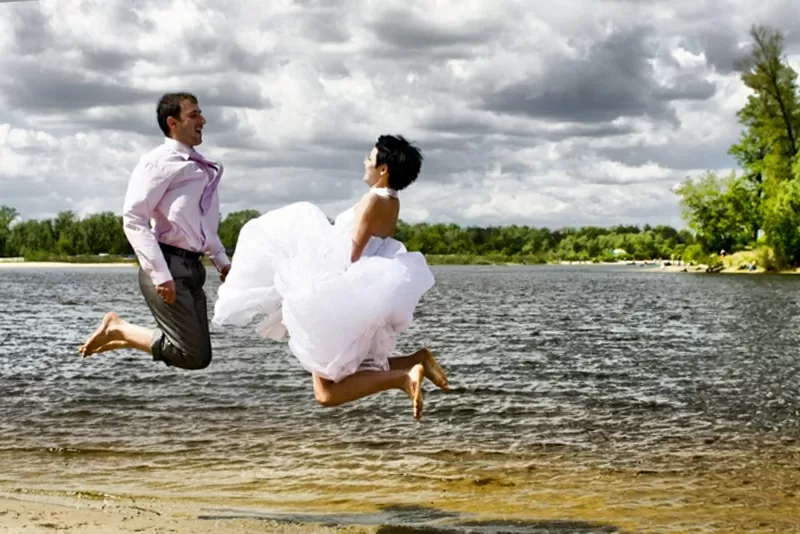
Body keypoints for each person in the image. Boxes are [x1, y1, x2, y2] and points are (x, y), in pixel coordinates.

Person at [212, 135, 448, 419]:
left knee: (326, 393)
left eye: (370, 158)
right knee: (356, 367)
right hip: (368, 290)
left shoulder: (372, 200)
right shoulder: (393, 202)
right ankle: (415, 360)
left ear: (383, 169)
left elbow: (352, 253)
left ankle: (404, 377)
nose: (365, 162)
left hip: (343, 289)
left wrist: (323, 294)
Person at [79, 92, 230, 369]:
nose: (203, 120)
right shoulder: (157, 162)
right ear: (173, 122)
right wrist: (160, 274)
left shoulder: (201, 167)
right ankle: (119, 329)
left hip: (194, 269)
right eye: (194, 115)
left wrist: (221, 261)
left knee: (200, 356)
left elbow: (204, 226)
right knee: (193, 356)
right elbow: (134, 218)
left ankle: (122, 334)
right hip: (168, 266)